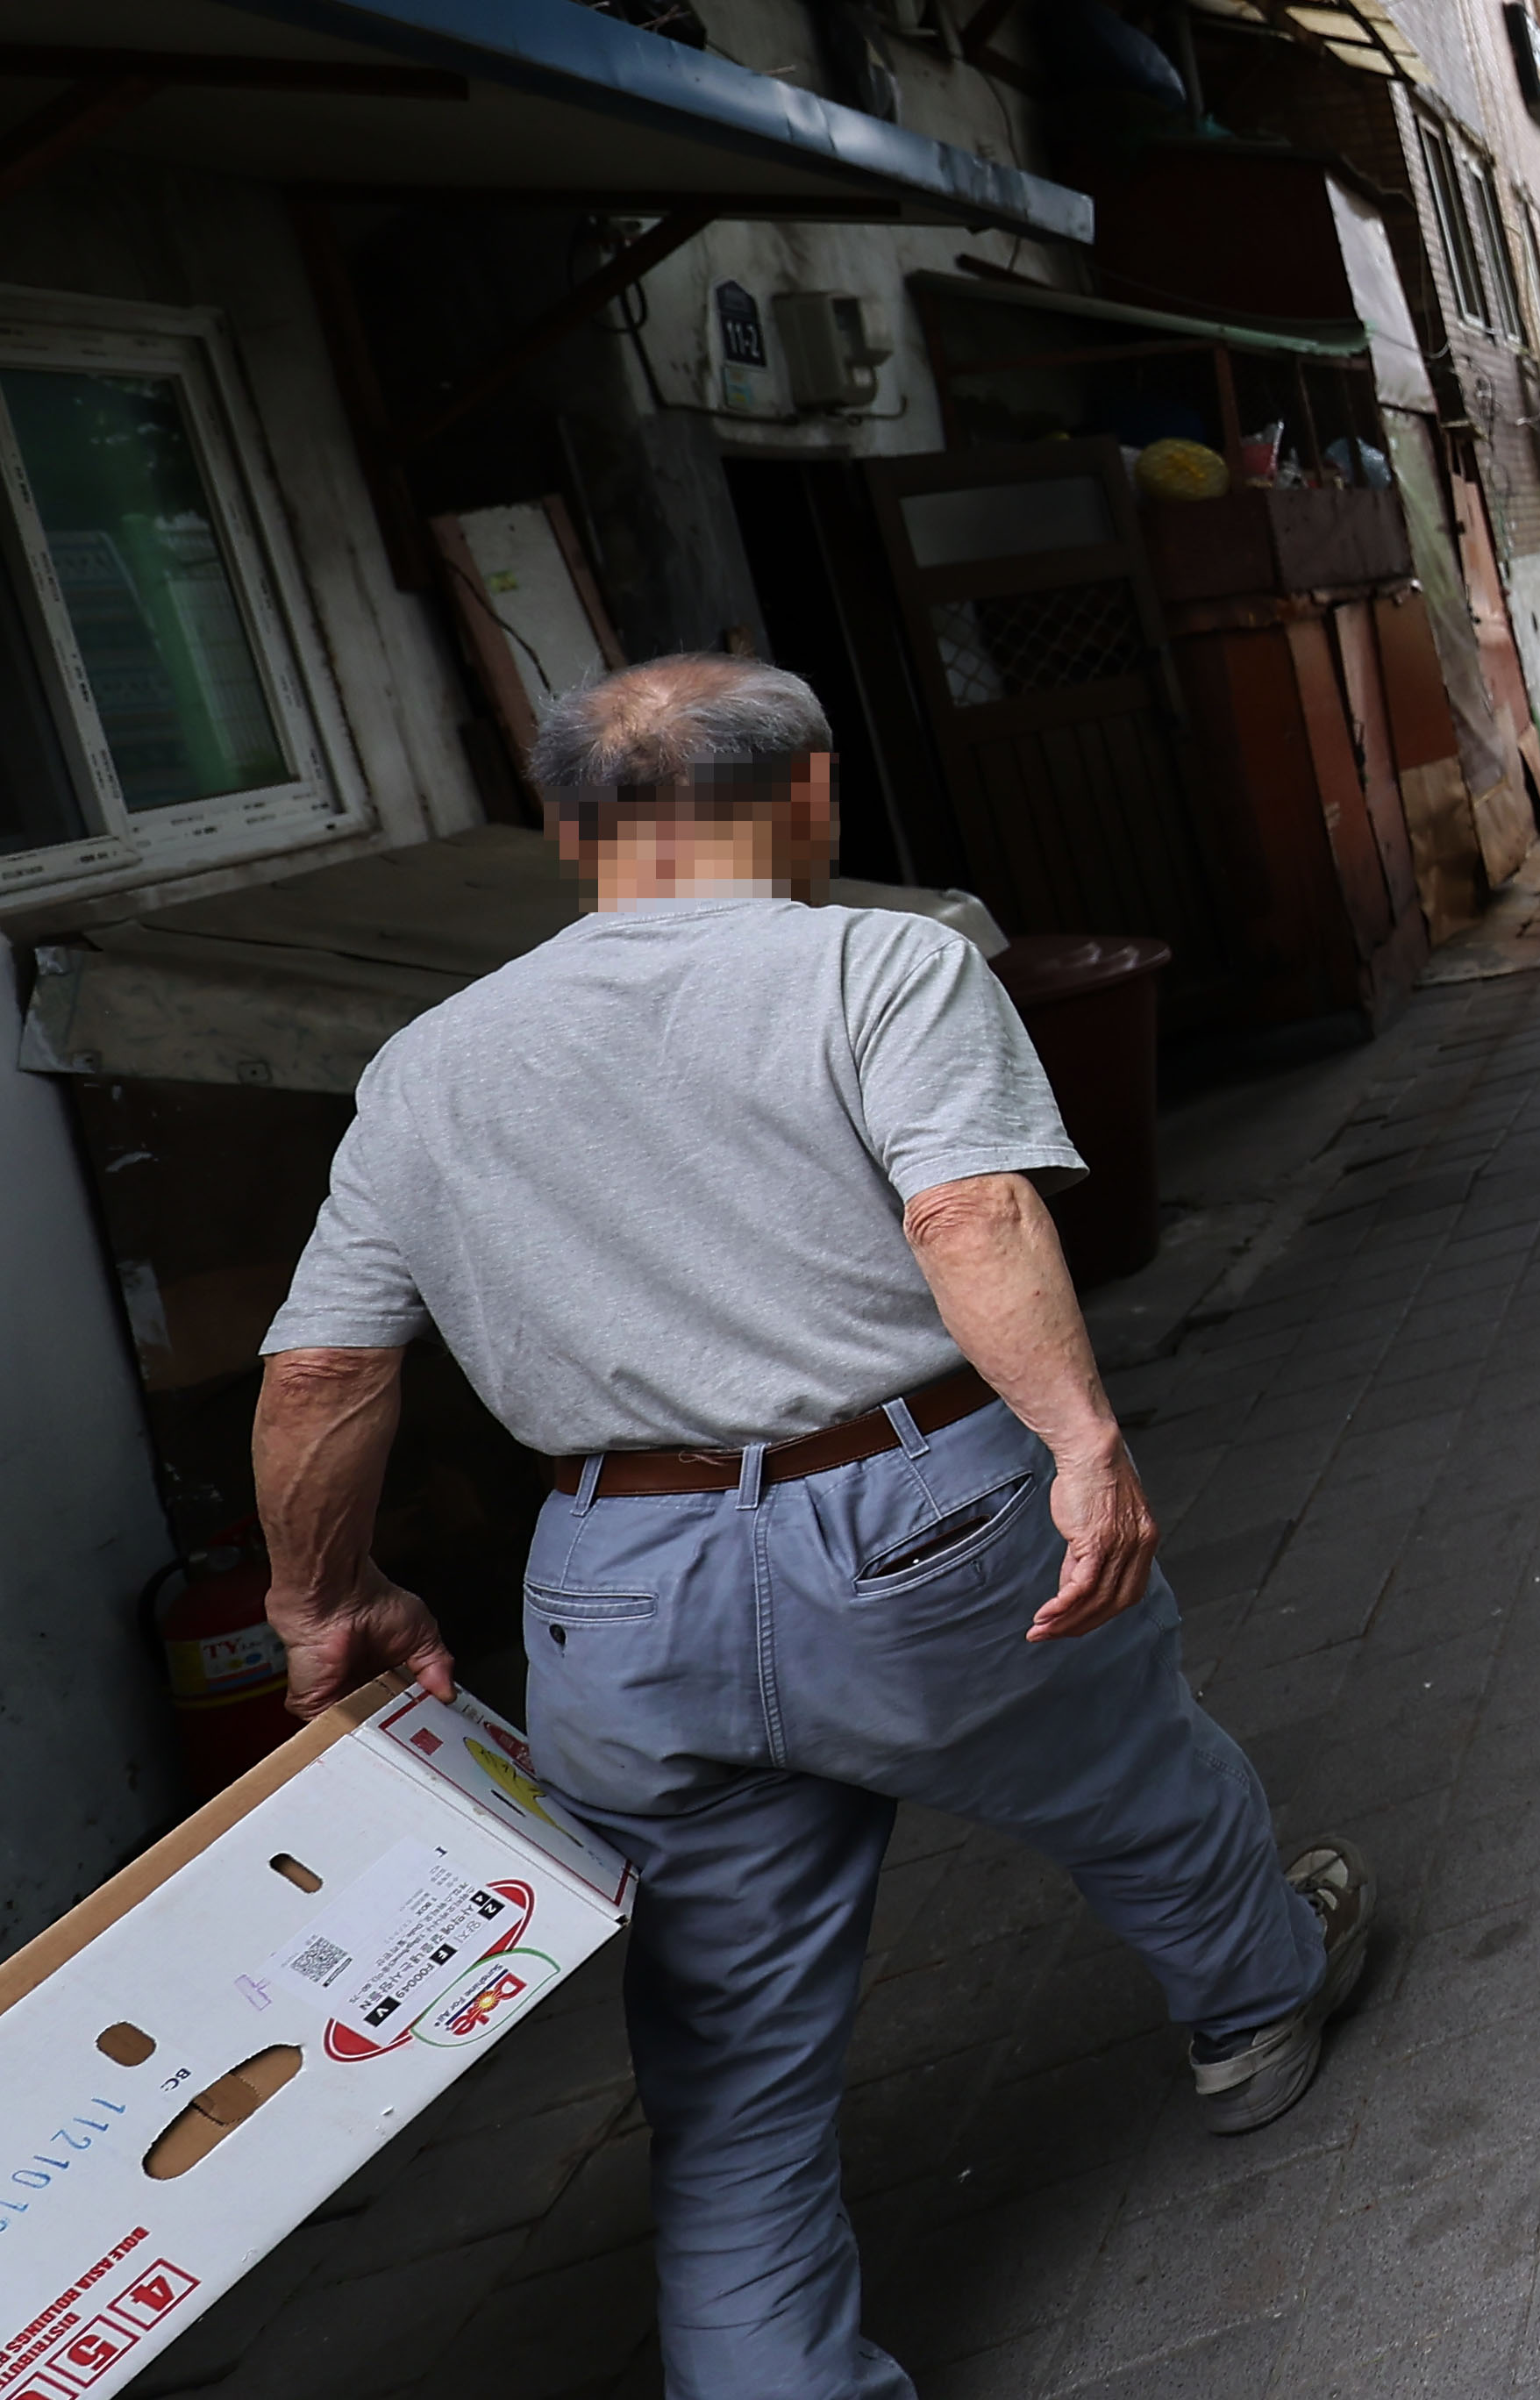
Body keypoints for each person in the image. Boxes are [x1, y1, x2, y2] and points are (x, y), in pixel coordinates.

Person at [253, 658, 1375, 2399]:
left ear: (567, 833)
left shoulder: (424, 1068)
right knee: (1129, 1776)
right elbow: (967, 1205)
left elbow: (323, 1376)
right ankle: (1255, 2007)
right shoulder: (878, 961)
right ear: (811, 795)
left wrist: (322, 1597)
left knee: (725, 2070)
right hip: (913, 1518)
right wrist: (1081, 1441)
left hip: (614, 1596)